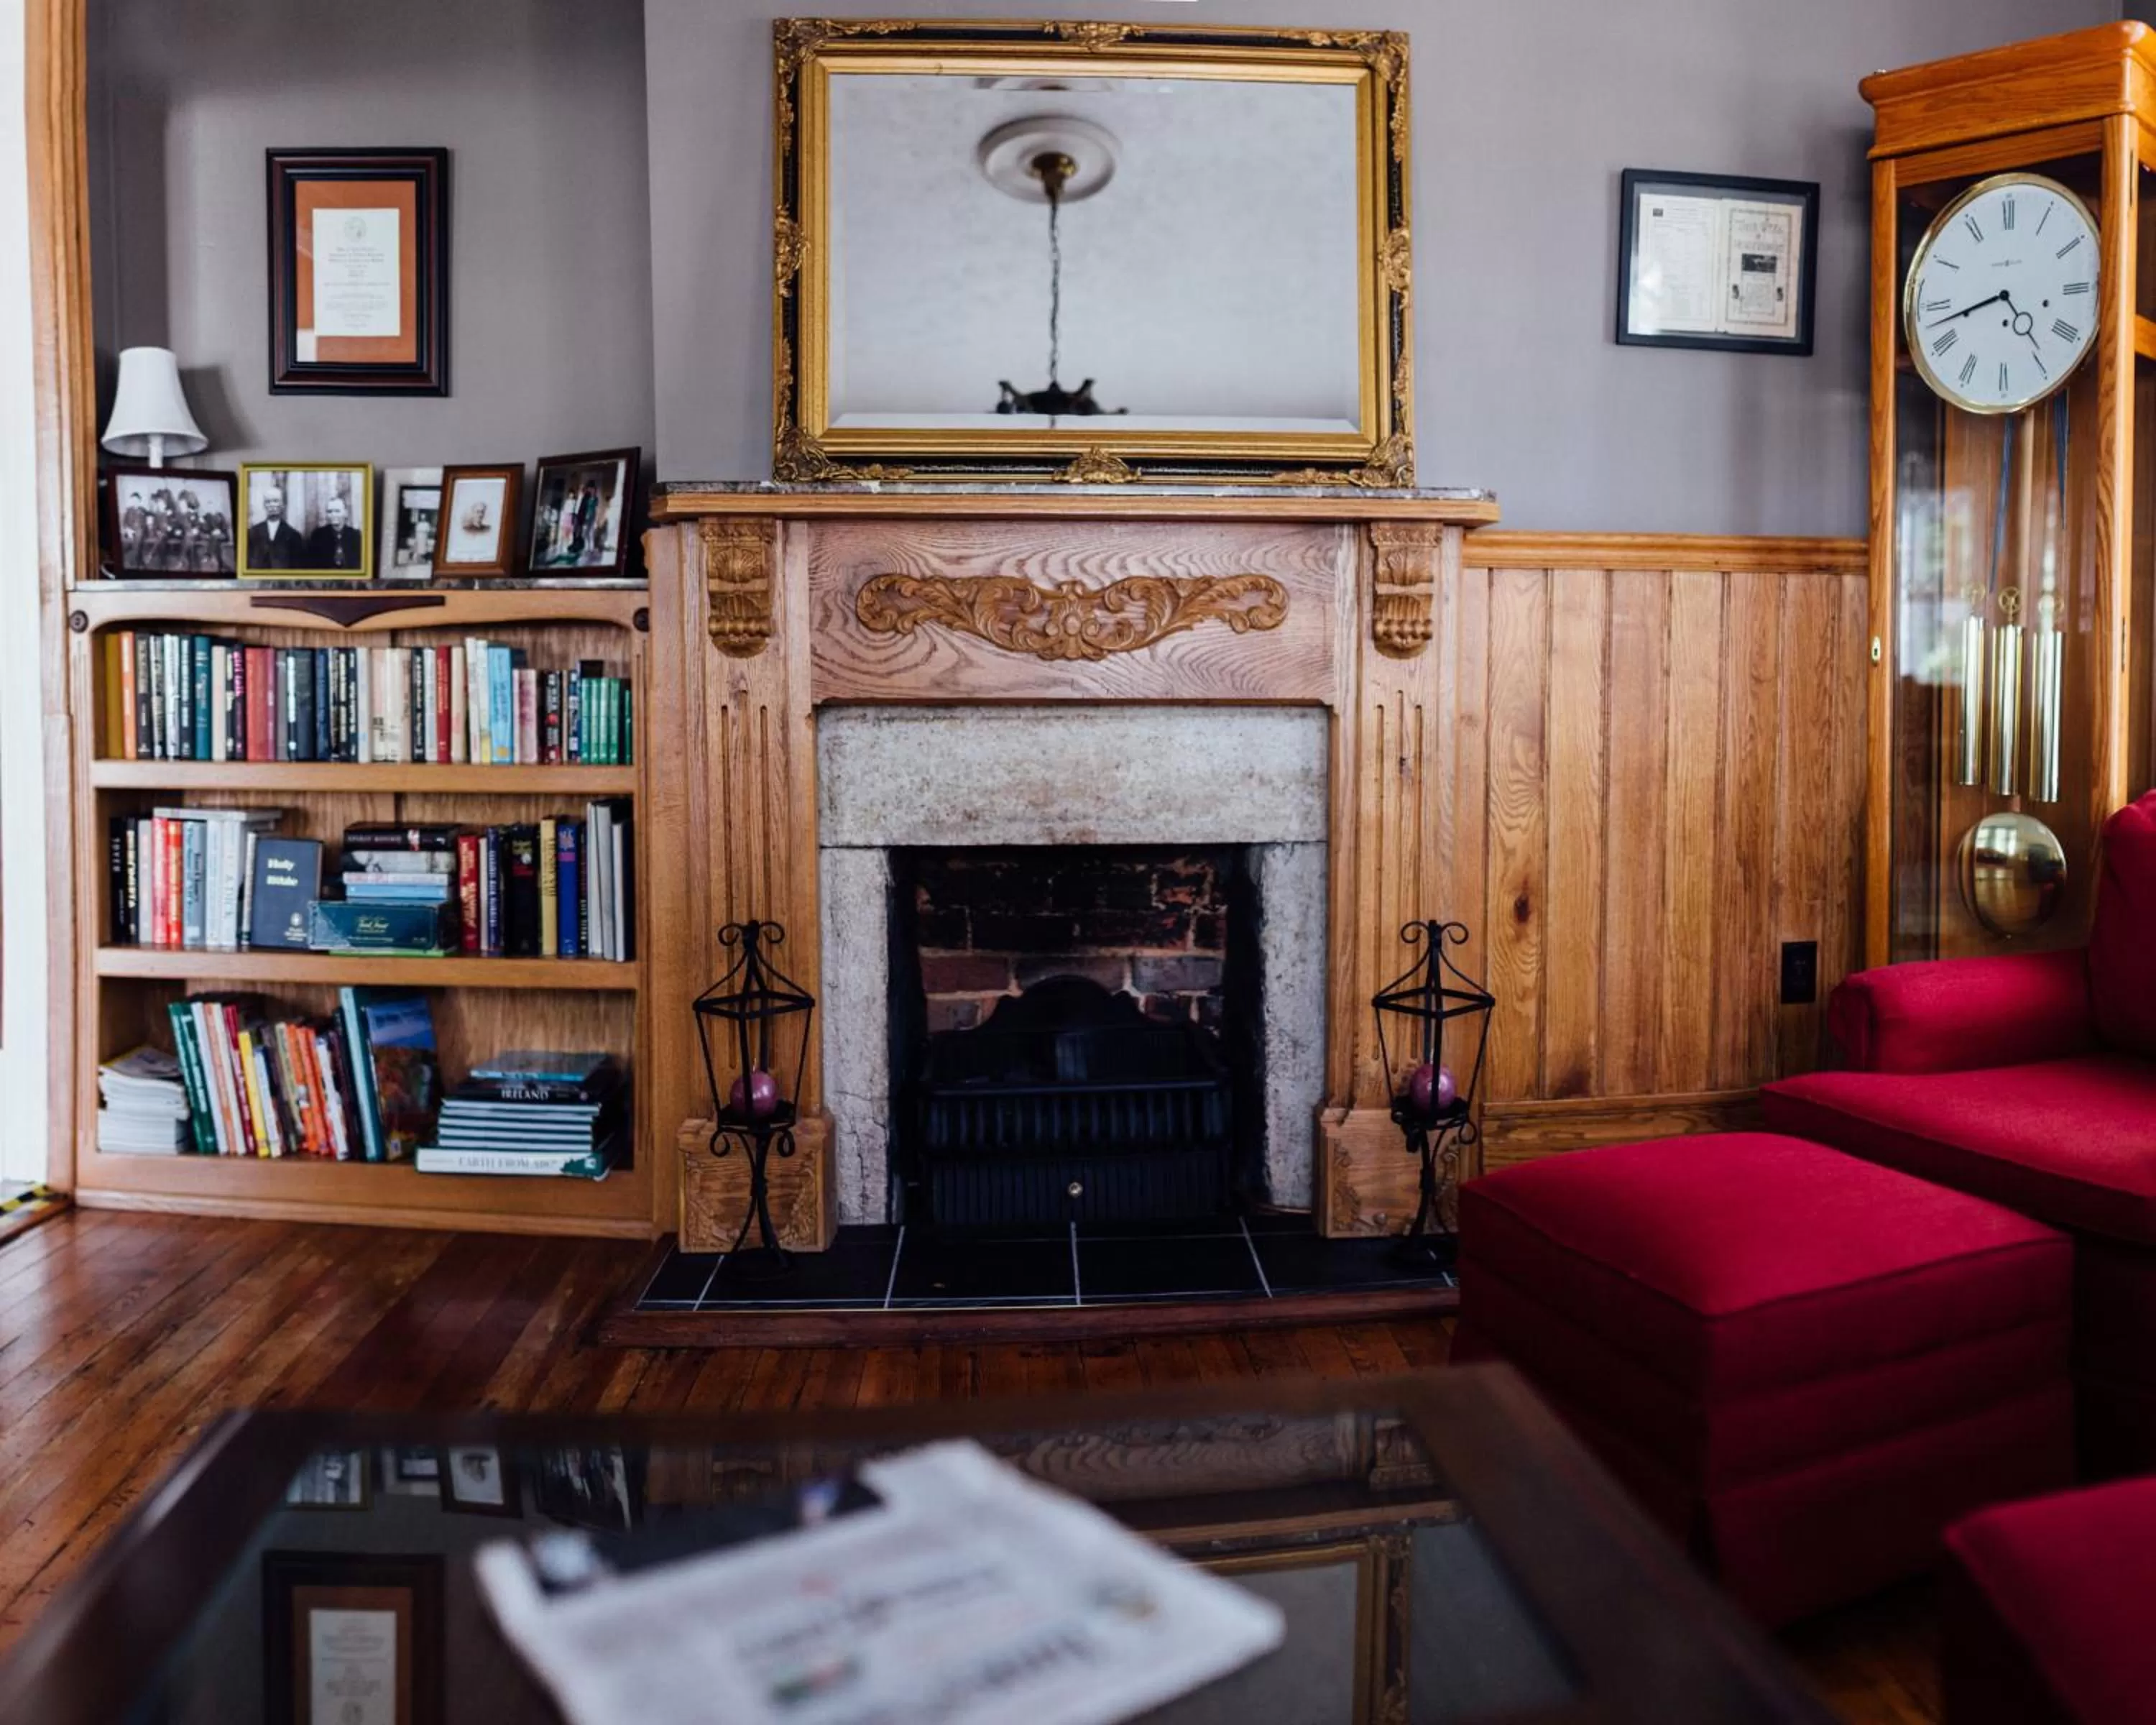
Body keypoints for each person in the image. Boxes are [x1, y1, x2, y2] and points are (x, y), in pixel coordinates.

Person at [247, 483, 304, 571]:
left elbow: (297, 568)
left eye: (276, 501)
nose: (272, 505)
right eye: (268, 502)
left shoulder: (294, 536)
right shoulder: (253, 533)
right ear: (264, 505)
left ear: (283, 505)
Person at [305, 491, 363, 571]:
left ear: (345, 513)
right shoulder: (318, 536)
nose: (333, 515)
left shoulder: (356, 536)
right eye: (330, 512)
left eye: (337, 511)